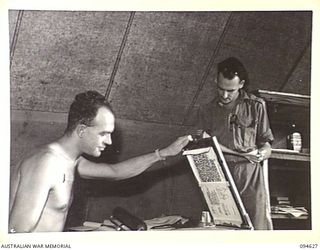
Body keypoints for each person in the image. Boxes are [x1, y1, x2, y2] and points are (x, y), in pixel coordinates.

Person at [9, 90, 191, 233]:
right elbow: (16, 233)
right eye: (103, 133)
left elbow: (116, 172)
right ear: (81, 130)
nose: (109, 142)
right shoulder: (46, 164)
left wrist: (164, 153)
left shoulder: (70, 160)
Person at [197, 57, 274, 230]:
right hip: (219, 175)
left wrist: (262, 153)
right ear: (216, 81)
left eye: (230, 90)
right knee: (223, 228)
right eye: (221, 88)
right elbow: (202, 144)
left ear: (241, 84)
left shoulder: (256, 106)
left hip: (250, 175)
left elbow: (267, 143)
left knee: (257, 226)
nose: (225, 95)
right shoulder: (206, 110)